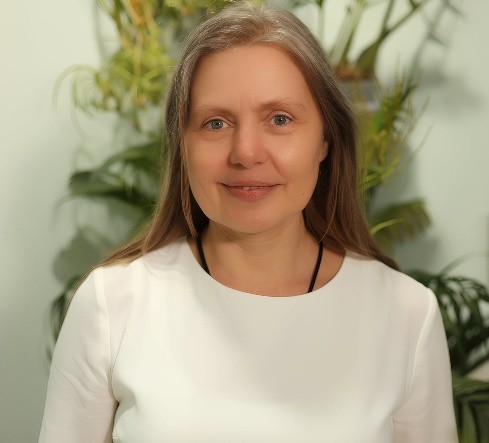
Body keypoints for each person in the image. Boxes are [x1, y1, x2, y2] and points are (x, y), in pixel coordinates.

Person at [39, 2, 458, 442]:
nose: (245, 152)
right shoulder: (110, 305)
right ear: (183, 146)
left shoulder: (407, 315)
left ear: (325, 140)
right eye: (215, 123)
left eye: (279, 119)